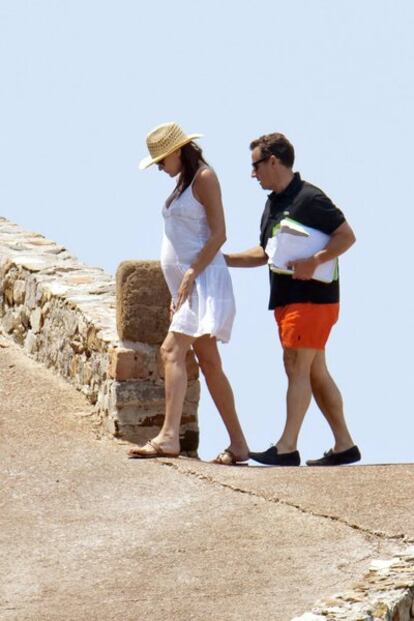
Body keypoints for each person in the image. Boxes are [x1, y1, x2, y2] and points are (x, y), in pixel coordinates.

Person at [225, 132, 361, 467]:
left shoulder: (310, 198)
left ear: (273, 161)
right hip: (287, 299)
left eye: (255, 166)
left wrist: (315, 260)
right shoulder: (273, 203)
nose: (252, 174)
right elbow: (265, 253)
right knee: (314, 371)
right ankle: (344, 445)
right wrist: (223, 259)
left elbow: (347, 236)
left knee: (296, 366)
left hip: (313, 298)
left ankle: (287, 447)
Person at [128, 122, 249, 465]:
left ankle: (168, 436)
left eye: (162, 161)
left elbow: (220, 233)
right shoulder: (182, 182)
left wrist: (193, 272)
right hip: (188, 285)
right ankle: (239, 444)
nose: (160, 169)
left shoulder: (204, 178)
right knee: (210, 363)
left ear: (178, 151)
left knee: (171, 351)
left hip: (204, 281)